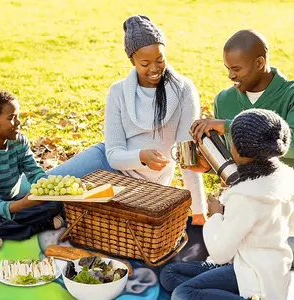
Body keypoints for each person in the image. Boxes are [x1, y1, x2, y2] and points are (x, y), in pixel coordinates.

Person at [37, 15, 207, 225]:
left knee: (87, 217)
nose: (154, 68)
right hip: (108, 163)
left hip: (146, 185)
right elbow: (113, 155)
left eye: (160, 60)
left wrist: (199, 212)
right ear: (132, 61)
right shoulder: (118, 92)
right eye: (145, 63)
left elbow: (186, 156)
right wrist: (141, 156)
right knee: (41, 188)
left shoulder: (183, 91)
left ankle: (57, 218)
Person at [160, 108, 294, 300]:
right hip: (263, 265)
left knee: (182, 293)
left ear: (238, 150)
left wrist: (216, 215)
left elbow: (220, 252)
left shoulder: (245, 196)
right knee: (169, 274)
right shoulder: (285, 177)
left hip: (254, 275)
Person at [190, 29, 294, 170]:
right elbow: (231, 160)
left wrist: (229, 127)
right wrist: (209, 166)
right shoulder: (224, 100)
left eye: (236, 69)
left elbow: (291, 144)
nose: (230, 75)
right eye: (228, 68)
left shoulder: (290, 95)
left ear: (260, 63)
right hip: (243, 189)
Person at [0, 90, 64, 247]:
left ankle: (5, 233)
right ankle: (41, 226)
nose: (18, 122)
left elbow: (34, 172)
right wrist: (25, 204)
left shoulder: (19, 141)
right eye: (11, 118)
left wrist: (48, 189)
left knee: (56, 204)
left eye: (18, 116)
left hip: (14, 203)